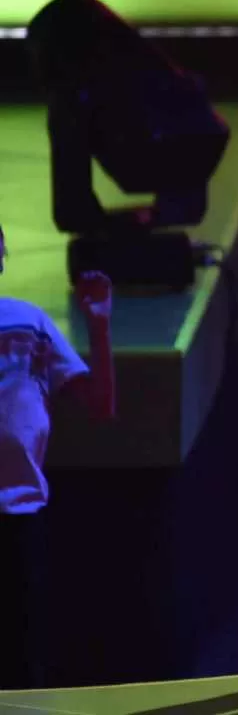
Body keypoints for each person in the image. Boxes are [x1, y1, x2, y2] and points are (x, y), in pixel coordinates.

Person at [0, 224, 115, 689]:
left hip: (18, 517)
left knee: (22, 659)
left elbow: (101, 405)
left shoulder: (27, 322)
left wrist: (100, 325)